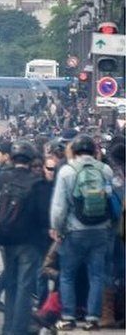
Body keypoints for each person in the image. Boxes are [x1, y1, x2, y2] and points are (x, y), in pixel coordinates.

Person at [49, 134, 115, 331]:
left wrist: (57, 229)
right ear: (94, 151)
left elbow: (59, 206)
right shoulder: (106, 170)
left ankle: (68, 317)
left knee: (67, 274)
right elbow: (111, 198)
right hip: (101, 230)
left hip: (74, 231)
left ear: (74, 150)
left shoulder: (67, 171)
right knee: (97, 275)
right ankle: (93, 318)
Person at [0, 140, 50, 335]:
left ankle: (8, 327)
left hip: (6, 239)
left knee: (11, 284)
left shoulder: (0, 178)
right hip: (30, 241)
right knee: (25, 286)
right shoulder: (37, 182)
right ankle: (18, 329)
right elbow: (43, 215)